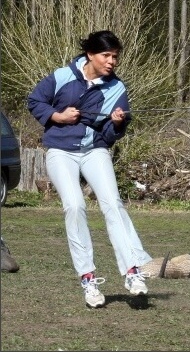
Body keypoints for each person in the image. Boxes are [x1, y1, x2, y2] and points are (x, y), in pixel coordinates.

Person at [27, 30, 153, 308]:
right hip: (61, 151)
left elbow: (109, 136)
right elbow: (35, 101)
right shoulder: (61, 76)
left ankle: (132, 271)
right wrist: (57, 116)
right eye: (106, 55)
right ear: (90, 55)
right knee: (74, 206)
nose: (111, 62)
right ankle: (88, 278)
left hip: (95, 150)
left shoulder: (117, 89)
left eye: (115, 57)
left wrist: (117, 123)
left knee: (113, 204)